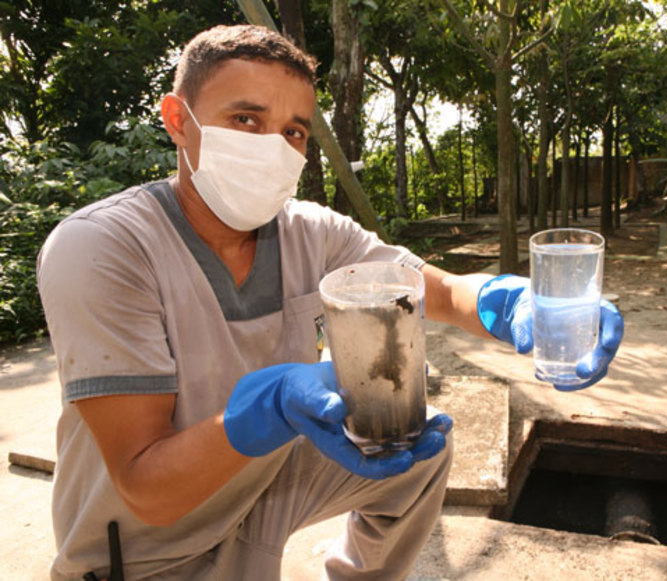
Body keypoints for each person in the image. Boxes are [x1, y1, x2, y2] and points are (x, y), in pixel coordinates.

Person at [37, 24, 623, 581]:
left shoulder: (311, 232)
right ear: (178, 120)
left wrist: (510, 301)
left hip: (258, 487)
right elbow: (148, 490)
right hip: (144, 551)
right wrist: (267, 406)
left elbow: (434, 290)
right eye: (245, 119)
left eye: (293, 130)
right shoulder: (101, 248)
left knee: (416, 451)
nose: (274, 147)